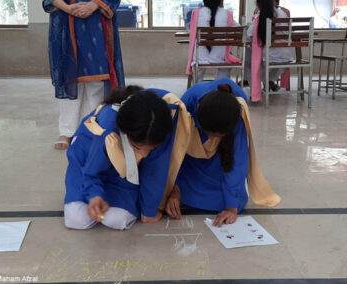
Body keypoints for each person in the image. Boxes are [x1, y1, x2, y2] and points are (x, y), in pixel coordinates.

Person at [64, 86, 191, 230]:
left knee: (117, 220)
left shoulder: (161, 123)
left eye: (151, 149)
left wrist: (148, 211)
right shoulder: (108, 128)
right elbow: (93, 168)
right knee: (76, 219)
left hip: (126, 176)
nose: (144, 155)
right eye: (137, 148)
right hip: (86, 165)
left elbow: (156, 168)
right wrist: (95, 195)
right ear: (124, 132)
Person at [165, 78, 281, 227]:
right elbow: (176, 149)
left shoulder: (236, 111)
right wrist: (174, 189)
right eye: (210, 134)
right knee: (181, 192)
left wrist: (231, 207)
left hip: (220, 162)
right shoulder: (188, 102)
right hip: (191, 160)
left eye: (218, 136)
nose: (212, 140)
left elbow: (238, 159)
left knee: (230, 198)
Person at [43, 0, 125, 150]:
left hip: (96, 20)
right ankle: (67, 131)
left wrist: (95, 4)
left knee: (98, 79)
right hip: (65, 20)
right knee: (69, 79)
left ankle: (95, 128)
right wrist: (67, 7)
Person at [244, 0, 294, 102]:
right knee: (275, 61)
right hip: (286, 58)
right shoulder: (283, 15)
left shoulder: (260, 16)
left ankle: (256, 90)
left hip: (267, 58)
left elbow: (249, 35)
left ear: (259, 4)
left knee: (248, 62)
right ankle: (270, 81)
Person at [186, 0, 241, 82]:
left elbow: (191, 30)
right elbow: (239, 29)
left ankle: (198, 87)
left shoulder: (196, 13)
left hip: (200, 57)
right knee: (225, 63)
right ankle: (221, 87)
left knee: (198, 62)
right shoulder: (227, 14)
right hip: (221, 57)